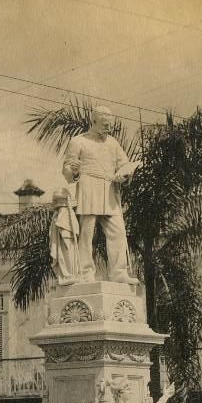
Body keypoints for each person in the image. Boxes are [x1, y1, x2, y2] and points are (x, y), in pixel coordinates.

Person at [62, 105, 139, 282]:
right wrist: (73, 171)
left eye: (110, 125)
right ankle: (85, 272)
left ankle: (119, 271)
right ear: (94, 121)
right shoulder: (78, 141)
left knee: (118, 231)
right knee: (87, 233)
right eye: (104, 124)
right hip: (88, 188)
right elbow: (67, 169)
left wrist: (125, 173)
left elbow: (124, 163)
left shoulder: (112, 142)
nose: (108, 128)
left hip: (110, 189)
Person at [48, 186, 80, 285]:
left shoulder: (68, 212)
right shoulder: (59, 213)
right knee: (64, 256)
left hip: (68, 238)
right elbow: (57, 227)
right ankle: (67, 275)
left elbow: (74, 227)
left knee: (69, 255)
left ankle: (70, 274)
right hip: (62, 239)